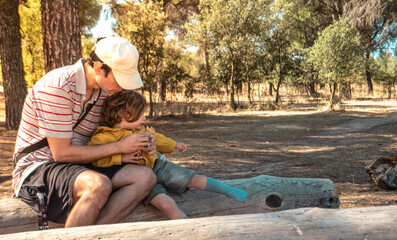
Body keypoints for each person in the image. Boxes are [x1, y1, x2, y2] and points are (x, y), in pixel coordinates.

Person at [12, 37, 157, 227]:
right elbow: (61, 154)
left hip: (82, 164)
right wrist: (119, 147)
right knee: (97, 186)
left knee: (145, 177)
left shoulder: (106, 92)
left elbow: (118, 129)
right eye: (119, 79)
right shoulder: (57, 87)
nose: (121, 87)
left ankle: (91, 233)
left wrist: (144, 142)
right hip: (39, 166)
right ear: (98, 68)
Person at [88, 90, 247, 219]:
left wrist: (174, 145)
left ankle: (228, 190)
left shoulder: (140, 131)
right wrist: (120, 158)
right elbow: (97, 159)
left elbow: (159, 140)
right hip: (139, 181)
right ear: (125, 115)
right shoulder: (103, 136)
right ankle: (184, 222)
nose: (144, 117)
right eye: (140, 113)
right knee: (165, 203)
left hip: (158, 166)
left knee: (190, 178)